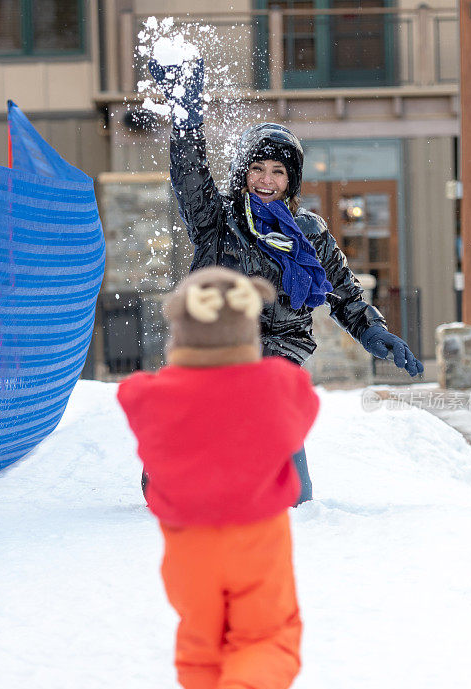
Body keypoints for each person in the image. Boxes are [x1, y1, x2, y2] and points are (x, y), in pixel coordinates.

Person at [148, 58, 423, 503]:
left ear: (291, 179)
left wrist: (373, 330)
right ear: (243, 173)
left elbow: (345, 294)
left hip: (278, 351)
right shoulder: (216, 220)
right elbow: (189, 173)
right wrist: (185, 115)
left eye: (278, 171)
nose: (266, 180)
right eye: (258, 169)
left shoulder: (309, 232)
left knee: (287, 480)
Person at [117, 267, 319, 689]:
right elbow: (302, 403)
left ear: (179, 332)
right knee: (270, 635)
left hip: (188, 550)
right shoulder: (276, 385)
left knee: (202, 642)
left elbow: (133, 393)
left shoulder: (153, 395)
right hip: (258, 540)